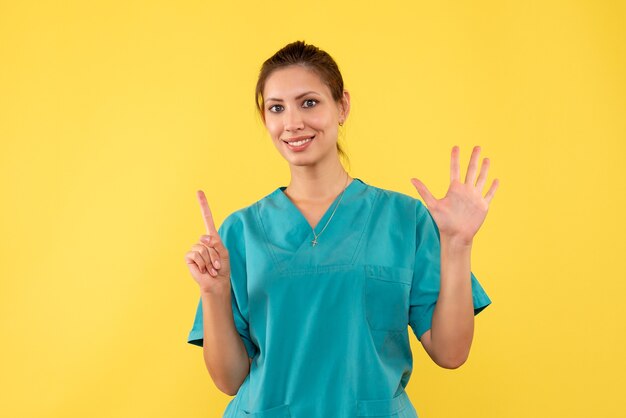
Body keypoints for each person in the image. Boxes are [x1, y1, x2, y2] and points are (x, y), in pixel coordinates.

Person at [185, 40, 499, 418]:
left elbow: (451, 353)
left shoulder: (404, 220)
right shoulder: (241, 230)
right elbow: (229, 380)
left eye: (309, 102)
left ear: (342, 106)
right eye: (276, 108)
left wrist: (459, 244)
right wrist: (214, 292)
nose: (293, 122)